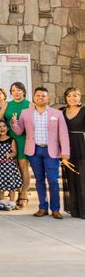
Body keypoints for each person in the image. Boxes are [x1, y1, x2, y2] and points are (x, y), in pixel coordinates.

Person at [10, 87, 70, 219]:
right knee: (39, 180)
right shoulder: (25, 113)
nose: (40, 98)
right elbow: (20, 131)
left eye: (43, 96)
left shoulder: (57, 114)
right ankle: (42, 207)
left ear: (48, 98)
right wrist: (14, 123)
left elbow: (63, 134)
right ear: (34, 98)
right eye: (38, 95)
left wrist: (65, 152)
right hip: (34, 151)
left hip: (51, 151)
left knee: (53, 180)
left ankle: (55, 209)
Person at [3, 82, 31, 210]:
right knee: (12, 169)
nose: (16, 92)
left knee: (23, 167)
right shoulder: (7, 105)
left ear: (23, 91)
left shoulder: (29, 104)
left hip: (23, 139)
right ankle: (15, 191)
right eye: (13, 90)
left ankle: (23, 195)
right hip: (10, 139)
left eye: (19, 90)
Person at [62, 87, 85, 219]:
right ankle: (75, 209)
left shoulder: (84, 110)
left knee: (82, 178)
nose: (72, 98)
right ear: (66, 97)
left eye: (75, 95)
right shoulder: (62, 111)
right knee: (71, 177)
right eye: (69, 95)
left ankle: (83, 210)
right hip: (66, 147)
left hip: (82, 145)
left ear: (79, 97)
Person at [0, 119, 22, 211]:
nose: (2, 128)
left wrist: (10, 154)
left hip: (8, 166)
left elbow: (15, 152)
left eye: (4, 126)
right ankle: (2, 201)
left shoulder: (11, 140)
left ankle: (12, 202)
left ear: (7, 128)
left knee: (11, 184)